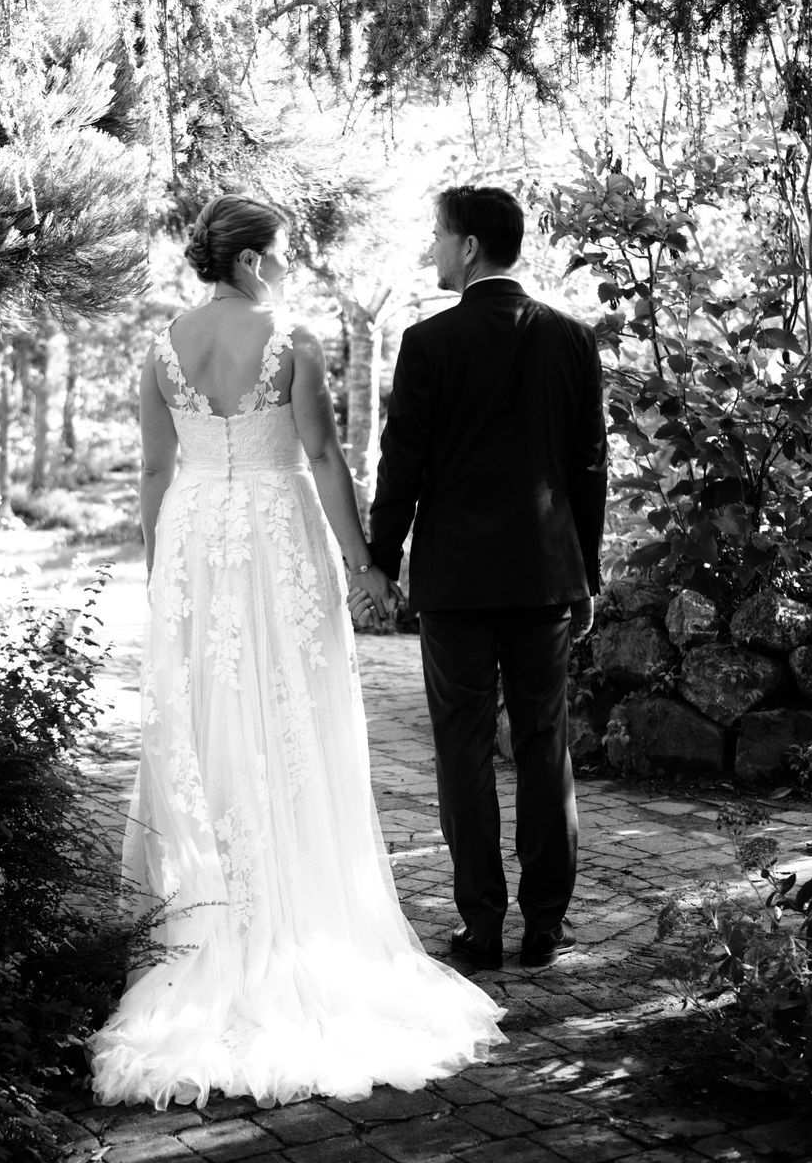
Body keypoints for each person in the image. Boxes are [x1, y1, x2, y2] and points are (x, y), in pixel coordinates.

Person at [88, 194, 505, 1110]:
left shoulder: (161, 348)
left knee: (209, 716)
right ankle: (297, 914)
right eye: (279, 252)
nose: (288, 264)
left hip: (196, 540)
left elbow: (154, 470)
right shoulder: (292, 341)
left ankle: (212, 915)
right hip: (278, 536)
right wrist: (365, 565)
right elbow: (321, 459)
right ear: (247, 261)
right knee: (294, 713)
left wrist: (162, 572)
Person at [367, 184, 607, 973]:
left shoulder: (429, 343)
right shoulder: (572, 339)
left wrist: (380, 558)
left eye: (438, 234)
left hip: (457, 581)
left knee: (463, 751)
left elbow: (402, 465)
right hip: (546, 578)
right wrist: (586, 573)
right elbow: (589, 469)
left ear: (469, 246)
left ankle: (481, 928)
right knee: (545, 745)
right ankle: (546, 927)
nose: (432, 249)